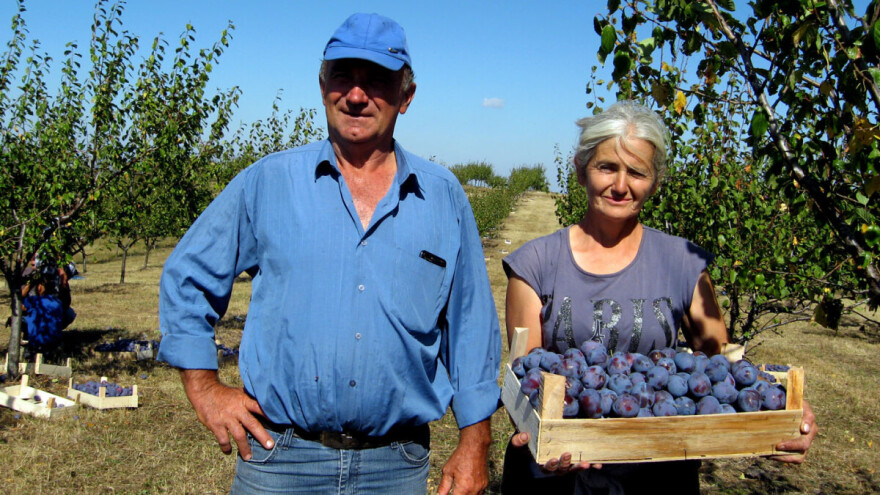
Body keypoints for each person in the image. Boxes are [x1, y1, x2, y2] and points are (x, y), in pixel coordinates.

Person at [157, 13, 501, 495]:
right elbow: (187, 276)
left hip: (396, 465)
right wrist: (204, 388)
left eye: (377, 80)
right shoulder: (269, 183)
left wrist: (475, 442)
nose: (356, 95)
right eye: (343, 76)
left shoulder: (443, 198)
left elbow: (469, 326)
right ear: (322, 86)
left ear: (406, 96)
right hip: (281, 460)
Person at [499, 101, 817, 494]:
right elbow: (527, 382)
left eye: (637, 172)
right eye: (607, 167)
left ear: (656, 181)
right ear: (581, 170)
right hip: (555, 481)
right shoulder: (536, 263)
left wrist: (780, 411)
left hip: (659, 478)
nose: (620, 185)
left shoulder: (682, 262)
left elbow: (726, 369)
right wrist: (547, 437)